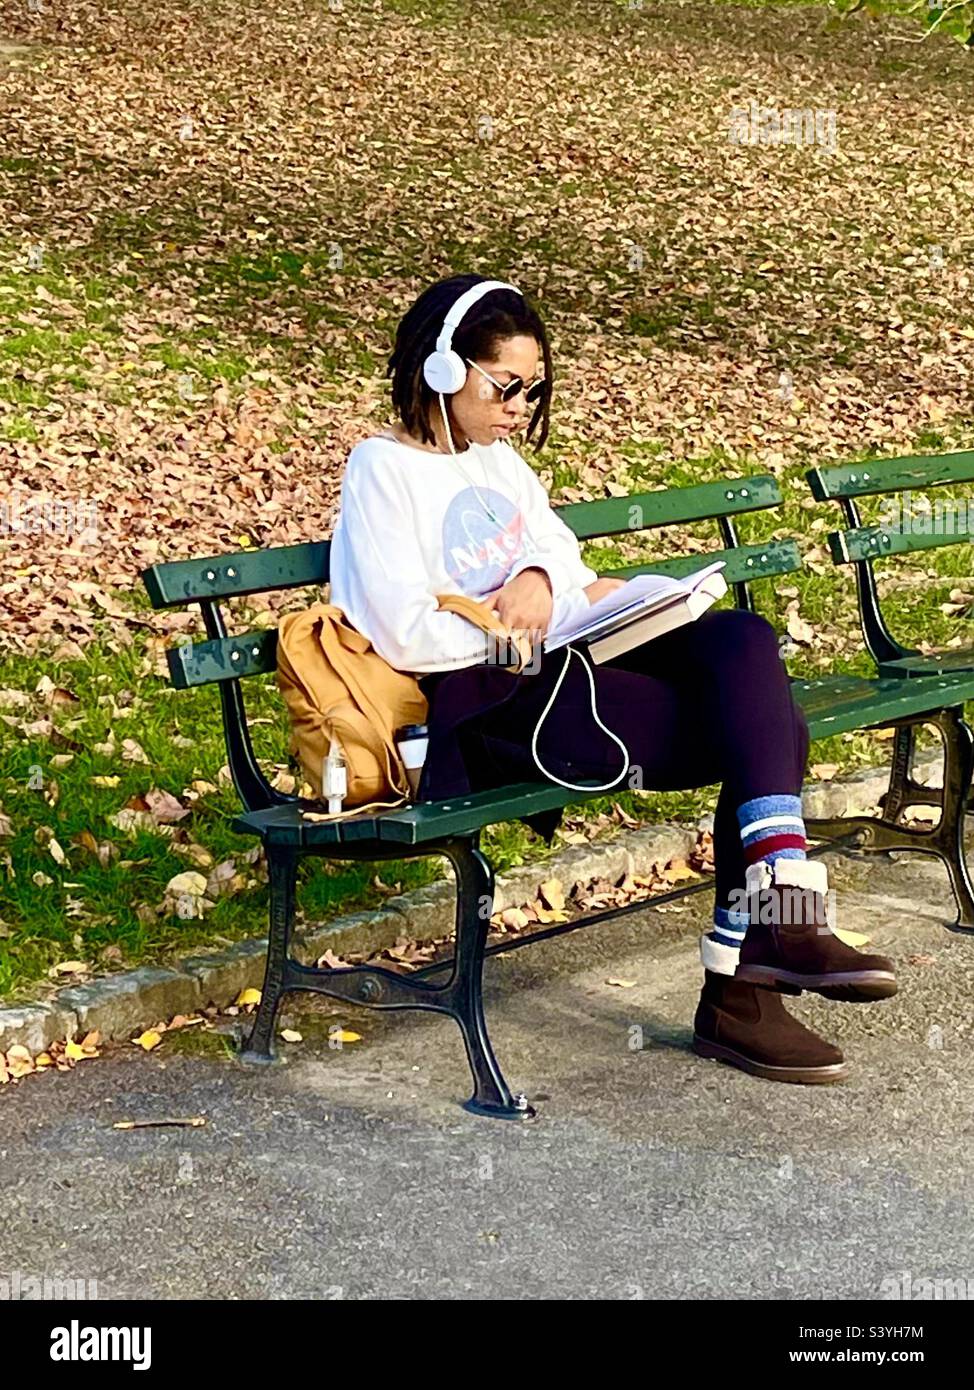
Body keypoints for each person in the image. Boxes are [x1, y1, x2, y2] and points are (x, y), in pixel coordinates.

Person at [328, 273, 897, 1086]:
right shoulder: (383, 469)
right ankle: (754, 975)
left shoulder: (501, 466)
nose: (522, 404)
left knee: (739, 637)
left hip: (569, 662)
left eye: (536, 387)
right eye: (508, 385)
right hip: (490, 702)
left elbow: (565, 565)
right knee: (776, 732)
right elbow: (398, 626)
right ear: (446, 369)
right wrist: (517, 609)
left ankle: (773, 938)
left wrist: (535, 575)